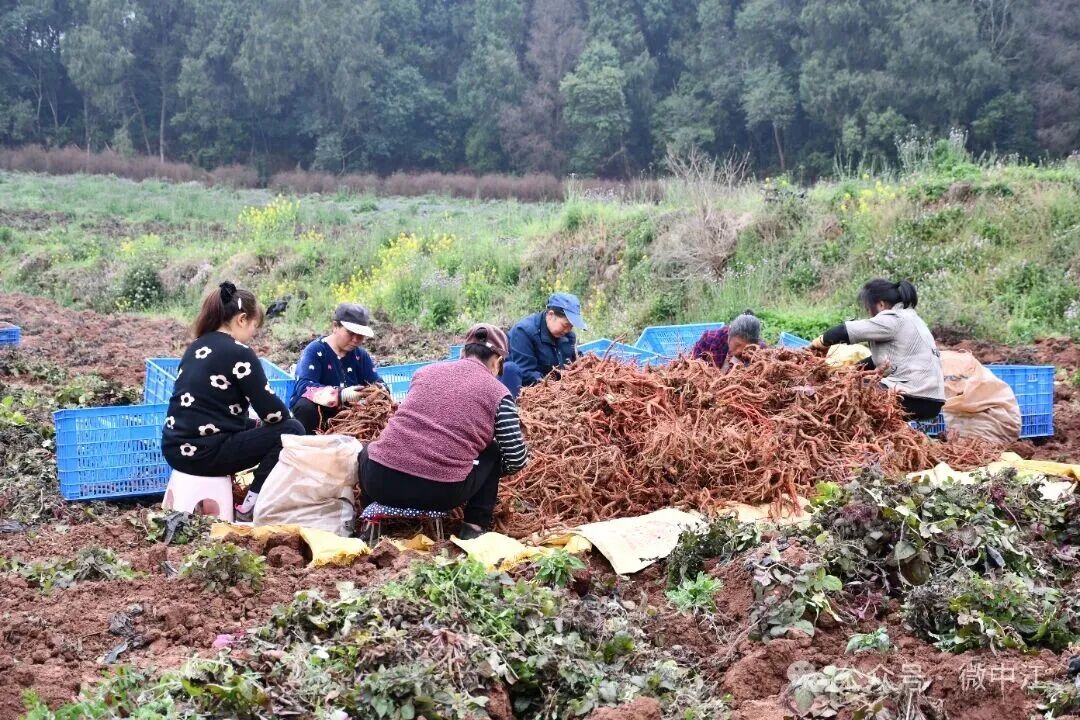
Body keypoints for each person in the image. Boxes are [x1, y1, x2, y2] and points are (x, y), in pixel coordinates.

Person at [359, 324, 529, 540]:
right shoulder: (499, 393)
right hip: (440, 493)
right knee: (493, 452)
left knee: (369, 450)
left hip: (379, 482)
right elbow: (516, 458)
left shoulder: (423, 373)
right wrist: (485, 471)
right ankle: (474, 528)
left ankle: (369, 525)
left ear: (462, 352)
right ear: (497, 361)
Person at [161, 282, 304, 520]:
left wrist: (257, 424)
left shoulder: (196, 346)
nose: (252, 335)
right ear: (242, 319)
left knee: (254, 424)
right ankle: (250, 505)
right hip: (205, 454)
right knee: (292, 429)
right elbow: (273, 413)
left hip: (175, 449)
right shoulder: (239, 353)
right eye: (254, 327)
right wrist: (284, 418)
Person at [811, 279, 945, 421]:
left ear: (881, 304)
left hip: (911, 396)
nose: (869, 314)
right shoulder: (912, 319)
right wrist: (852, 370)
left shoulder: (894, 319)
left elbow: (844, 331)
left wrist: (817, 344)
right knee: (854, 387)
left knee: (842, 390)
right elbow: (877, 361)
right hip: (931, 401)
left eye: (868, 309)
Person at [290, 303, 385, 434]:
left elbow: (379, 383)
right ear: (335, 326)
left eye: (360, 335)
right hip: (320, 417)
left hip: (352, 420)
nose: (355, 339)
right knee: (305, 406)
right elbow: (304, 386)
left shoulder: (360, 355)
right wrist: (341, 394)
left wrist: (373, 393)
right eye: (350, 333)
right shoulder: (315, 351)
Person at [509, 292, 584, 387]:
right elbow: (526, 373)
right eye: (565, 325)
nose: (568, 330)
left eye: (571, 326)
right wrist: (554, 386)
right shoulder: (523, 332)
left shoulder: (568, 336)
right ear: (551, 315)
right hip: (529, 388)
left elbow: (576, 360)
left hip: (560, 386)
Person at [691, 311, 764, 371]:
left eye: (746, 348)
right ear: (729, 332)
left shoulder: (761, 351)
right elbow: (691, 364)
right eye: (737, 344)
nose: (740, 351)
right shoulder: (710, 339)